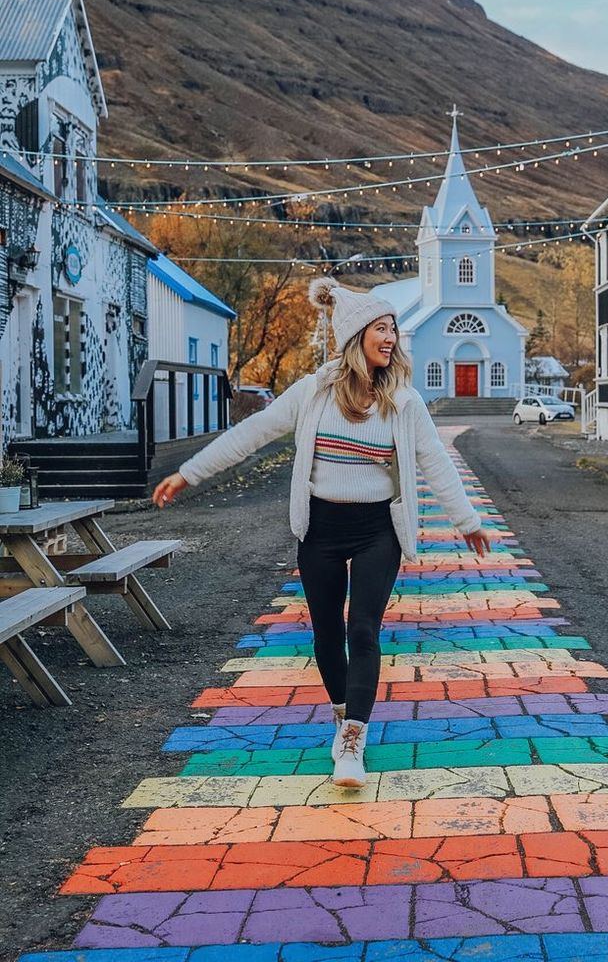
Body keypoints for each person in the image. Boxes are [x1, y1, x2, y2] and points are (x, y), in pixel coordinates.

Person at [153, 278, 492, 788]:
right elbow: (253, 432)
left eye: (394, 329)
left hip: (378, 528)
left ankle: (353, 737)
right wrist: (190, 472)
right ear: (356, 335)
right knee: (327, 633)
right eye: (381, 328)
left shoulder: (404, 401)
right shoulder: (313, 392)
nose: (391, 338)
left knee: (364, 629)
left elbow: (435, 462)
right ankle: (341, 712)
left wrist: (466, 520)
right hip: (322, 529)